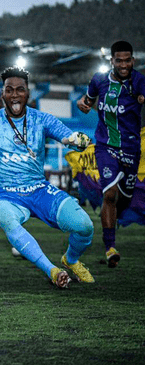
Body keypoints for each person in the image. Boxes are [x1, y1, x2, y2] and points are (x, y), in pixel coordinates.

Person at [0, 66, 95, 288]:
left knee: (84, 226)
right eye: (9, 90)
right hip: (7, 195)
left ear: (28, 93)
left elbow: (68, 136)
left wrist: (76, 139)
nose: (14, 95)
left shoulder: (42, 119)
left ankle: (70, 260)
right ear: (2, 93)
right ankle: (52, 270)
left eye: (19, 90)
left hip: (40, 190)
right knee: (5, 217)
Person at [76, 40, 145, 268]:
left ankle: (111, 222)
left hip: (132, 150)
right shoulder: (99, 80)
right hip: (105, 147)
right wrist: (82, 104)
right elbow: (86, 101)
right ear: (112, 61)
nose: (123, 65)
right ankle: (110, 247)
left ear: (133, 61)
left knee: (123, 200)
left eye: (127, 60)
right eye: (119, 60)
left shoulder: (139, 81)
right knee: (110, 195)